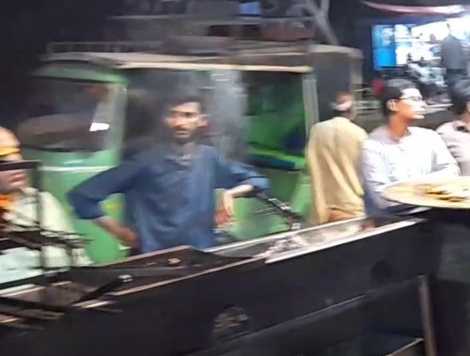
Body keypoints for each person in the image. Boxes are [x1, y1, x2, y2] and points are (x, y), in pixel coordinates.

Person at [69, 93, 267, 254]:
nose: (179, 122)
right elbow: (82, 196)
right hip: (155, 260)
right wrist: (120, 232)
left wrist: (230, 193)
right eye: (173, 115)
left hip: (199, 254)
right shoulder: (146, 160)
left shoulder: (208, 157)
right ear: (164, 120)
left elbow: (255, 180)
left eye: (188, 115)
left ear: (201, 121)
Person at [360, 79, 459, 219]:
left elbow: (451, 172)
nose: (422, 105)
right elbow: (381, 197)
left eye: (421, 99)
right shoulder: (373, 146)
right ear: (393, 105)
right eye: (414, 99)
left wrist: (407, 189)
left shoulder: (429, 137)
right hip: (396, 224)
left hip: (435, 216)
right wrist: (430, 189)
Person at [0, 127, 87, 284]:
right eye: (2, 157)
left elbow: (78, 259)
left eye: (16, 151)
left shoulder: (44, 201)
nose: (16, 162)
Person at [305, 93, 367, 224]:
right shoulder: (358, 133)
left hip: (322, 209)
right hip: (353, 207)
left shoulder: (317, 130)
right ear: (352, 111)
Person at [440, 25, 470, 92]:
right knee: (460, 88)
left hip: (451, 69)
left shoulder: (446, 40)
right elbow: (466, 54)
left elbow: (443, 56)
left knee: (453, 87)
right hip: (459, 69)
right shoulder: (461, 39)